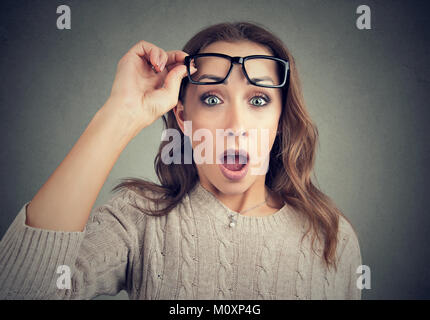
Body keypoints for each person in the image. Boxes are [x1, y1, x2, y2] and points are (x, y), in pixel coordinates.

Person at [0, 21, 362, 300]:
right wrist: (121, 113)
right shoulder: (138, 219)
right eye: (212, 99)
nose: (236, 126)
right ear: (183, 118)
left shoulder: (332, 237)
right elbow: (19, 290)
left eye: (258, 101)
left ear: (281, 120)